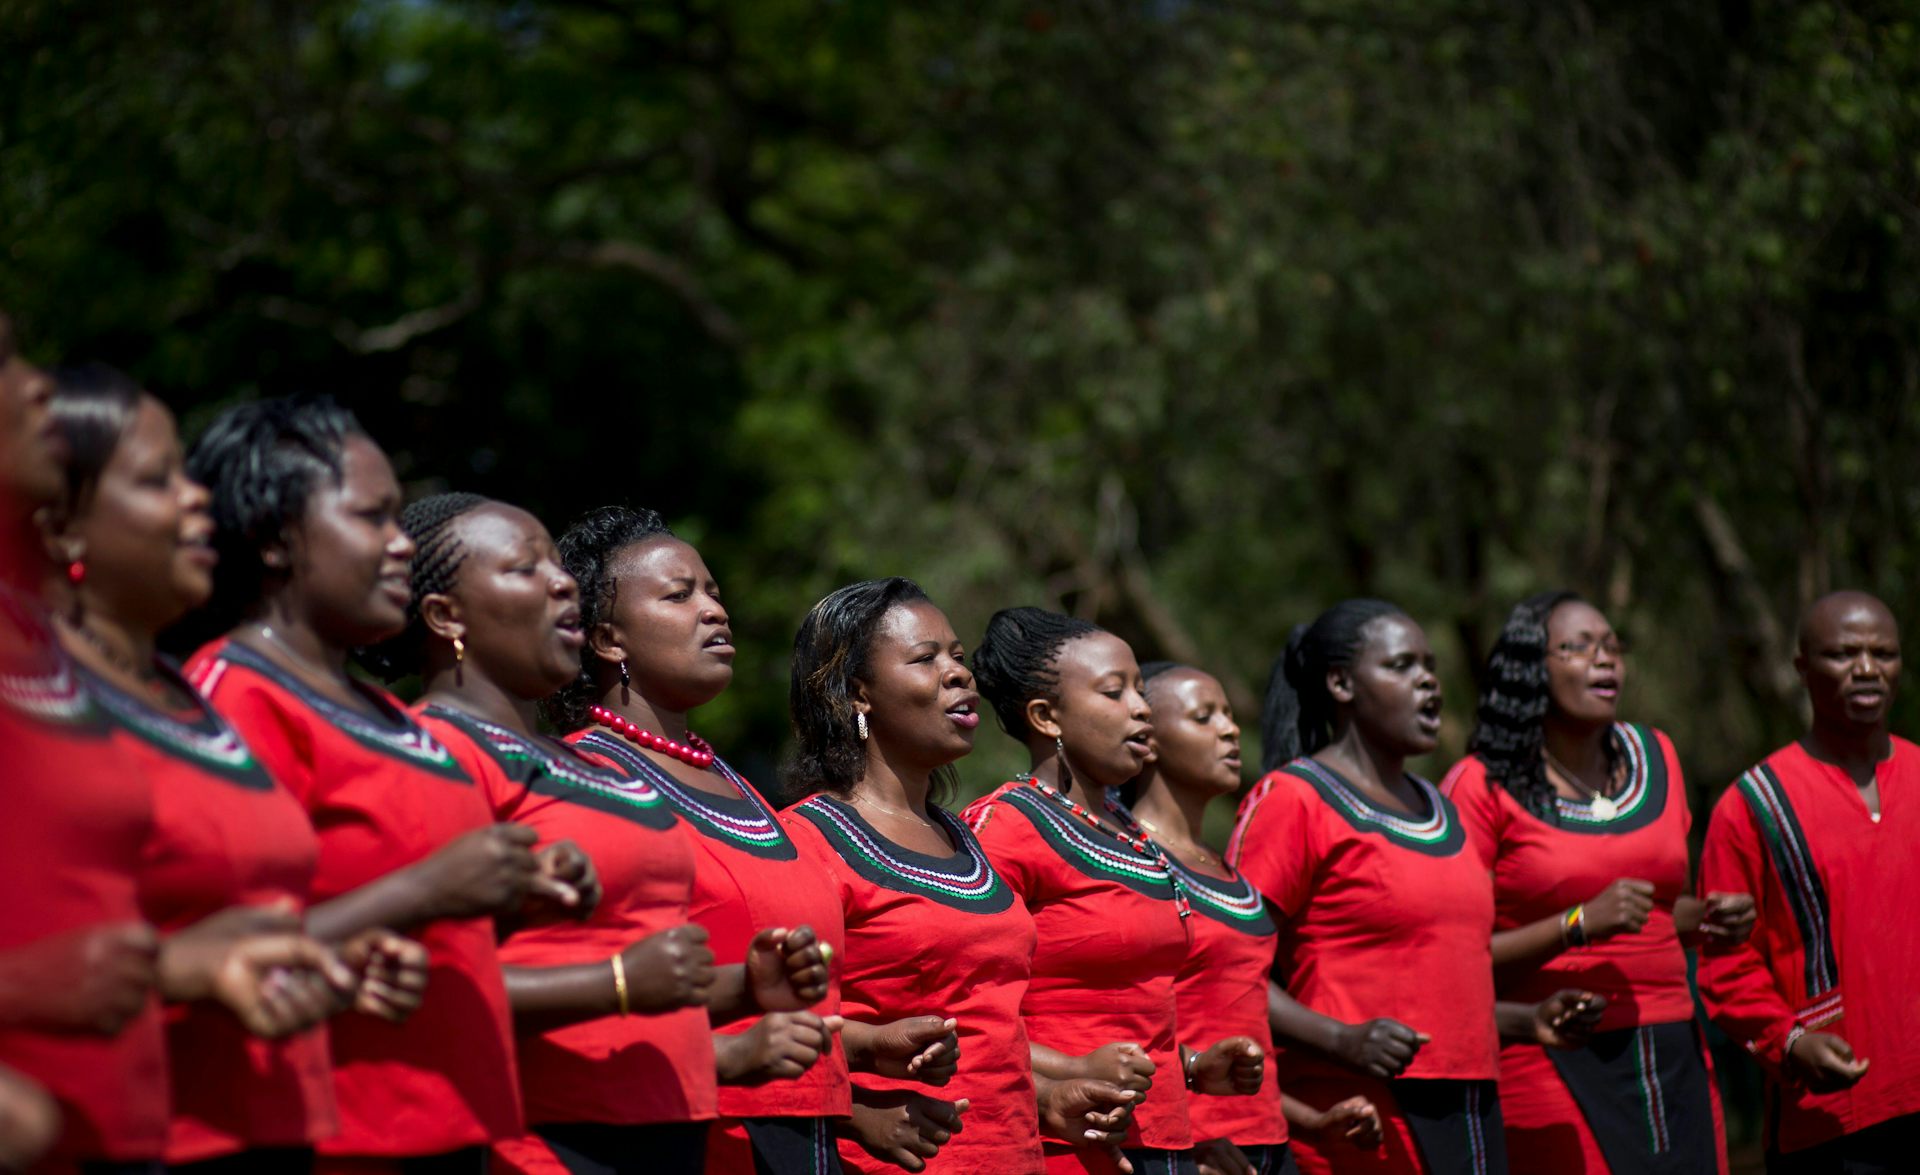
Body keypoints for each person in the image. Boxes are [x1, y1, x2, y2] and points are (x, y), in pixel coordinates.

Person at [366, 492, 833, 1175]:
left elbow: (602, 960)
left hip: (667, 1134)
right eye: (526, 570)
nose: (562, 584)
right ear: (447, 616)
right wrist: (617, 981)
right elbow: (427, 984)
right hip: (540, 1145)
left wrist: (741, 988)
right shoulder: (437, 750)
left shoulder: (583, 767)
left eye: (559, 567)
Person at [180, 397, 587, 1174]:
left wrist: (512, 892)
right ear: (274, 539)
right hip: (335, 1137)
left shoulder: (387, 714)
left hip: (452, 1125)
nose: (402, 545)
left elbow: (421, 913)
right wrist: (430, 888)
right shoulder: (238, 696)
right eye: (372, 518)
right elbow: (215, 948)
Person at [39, 367, 427, 1171]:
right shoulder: (39, 698)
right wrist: (182, 969)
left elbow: (229, 916)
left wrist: (324, 964)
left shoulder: (186, 697)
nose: (197, 500)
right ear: (61, 522)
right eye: (156, 480)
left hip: (272, 1126)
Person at [551, 511, 958, 1173]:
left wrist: (862, 1069)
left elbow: (778, 1003)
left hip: (803, 1145)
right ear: (606, 638)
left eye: (713, 591)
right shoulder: (586, 777)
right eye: (678, 595)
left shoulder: (742, 787)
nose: (714, 610)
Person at [1227, 599, 1599, 1175]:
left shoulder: (1442, 811)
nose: (1428, 679)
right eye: (1402, 666)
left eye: (1430, 665)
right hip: (1362, 1116)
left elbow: (1442, 980)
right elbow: (1228, 968)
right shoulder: (1294, 799)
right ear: (1341, 683)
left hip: (1473, 1107)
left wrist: (1528, 1020)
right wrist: (1342, 1039)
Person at [1441, 591, 1748, 1174]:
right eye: (1578, 648)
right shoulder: (1481, 786)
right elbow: (1453, 957)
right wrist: (1578, 924)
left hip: (1673, 1045)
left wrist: (1704, 918)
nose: (1604, 660)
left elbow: (1650, 910)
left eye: (1612, 646)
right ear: (1532, 669)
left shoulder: (1656, 755)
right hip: (1552, 1047)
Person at [965, 607, 1265, 1175]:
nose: (1141, 708)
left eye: (1140, 691)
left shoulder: (1132, 835)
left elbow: (1135, 1014)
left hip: (1165, 1145)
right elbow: (963, 1014)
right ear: (1046, 716)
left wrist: (1194, 1068)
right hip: (1066, 1148)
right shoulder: (1004, 830)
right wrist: (1073, 1068)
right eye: (1114, 693)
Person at [782, 578, 1050, 1173]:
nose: (958, 674)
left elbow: (998, 1031)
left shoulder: (965, 838)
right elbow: (774, 1025)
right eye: (925, 659)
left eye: (957, 656)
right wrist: (858, 1114)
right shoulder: (807, 840)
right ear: (858, 695)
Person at [1698, 590, 1920, 1172]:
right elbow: (1725, 967)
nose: (1867, 669)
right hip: (1830, 1119)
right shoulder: (1752, 807)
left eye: (1884, 654)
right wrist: (1790, 1042)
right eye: (1844, 654)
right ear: (1802, 668)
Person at [1110, 662, 1288, 1175]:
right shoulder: (1127, 861)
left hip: (1267, 1138)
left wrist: (1308, 1120)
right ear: (1150, 737)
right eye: (1203, 717)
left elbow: (1242, 1006)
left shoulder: (1224, 864)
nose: (1230, 730)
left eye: (1230, 716)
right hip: (1190, 1147)